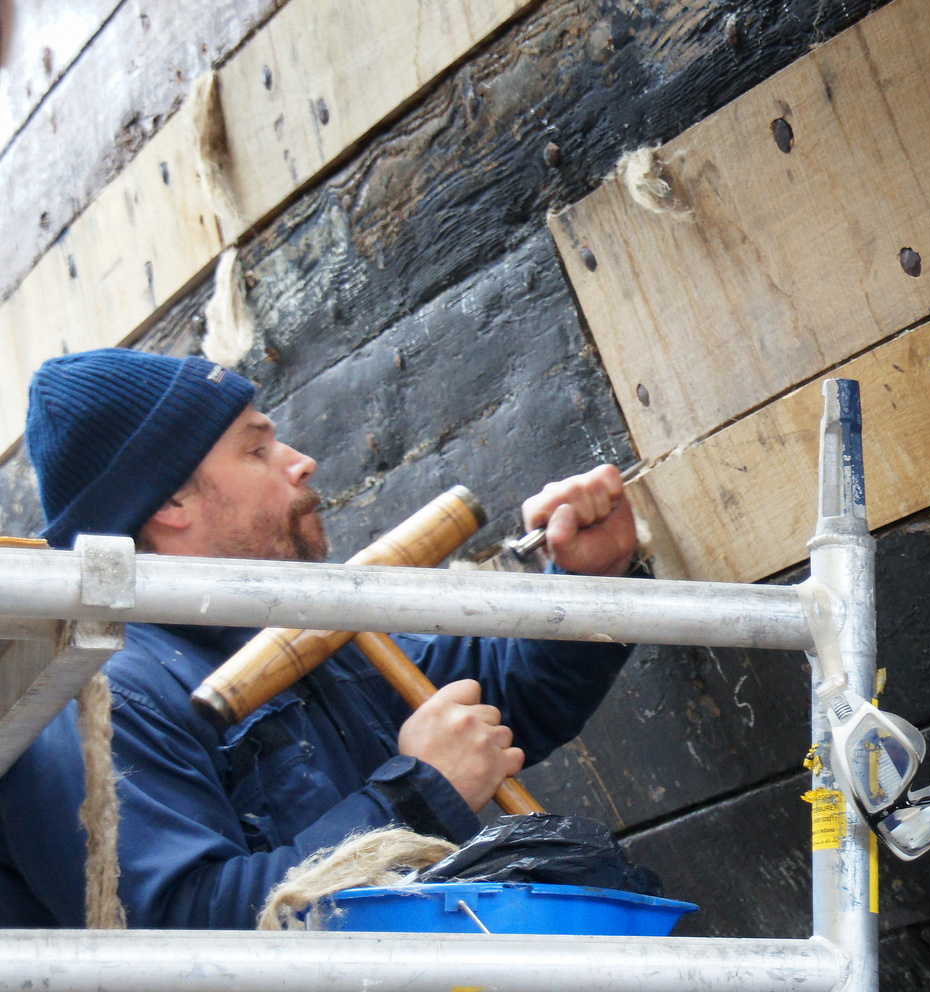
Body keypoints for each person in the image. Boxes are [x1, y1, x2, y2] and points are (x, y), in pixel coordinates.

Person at [0, 349, 639, 928]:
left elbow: (498, 701)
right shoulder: (96, 696)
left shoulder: (295, 625)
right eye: (256, 450)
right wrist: (417, 797)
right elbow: (180, 929)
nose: (300, 462)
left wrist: (587, 582)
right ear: (170, 500)